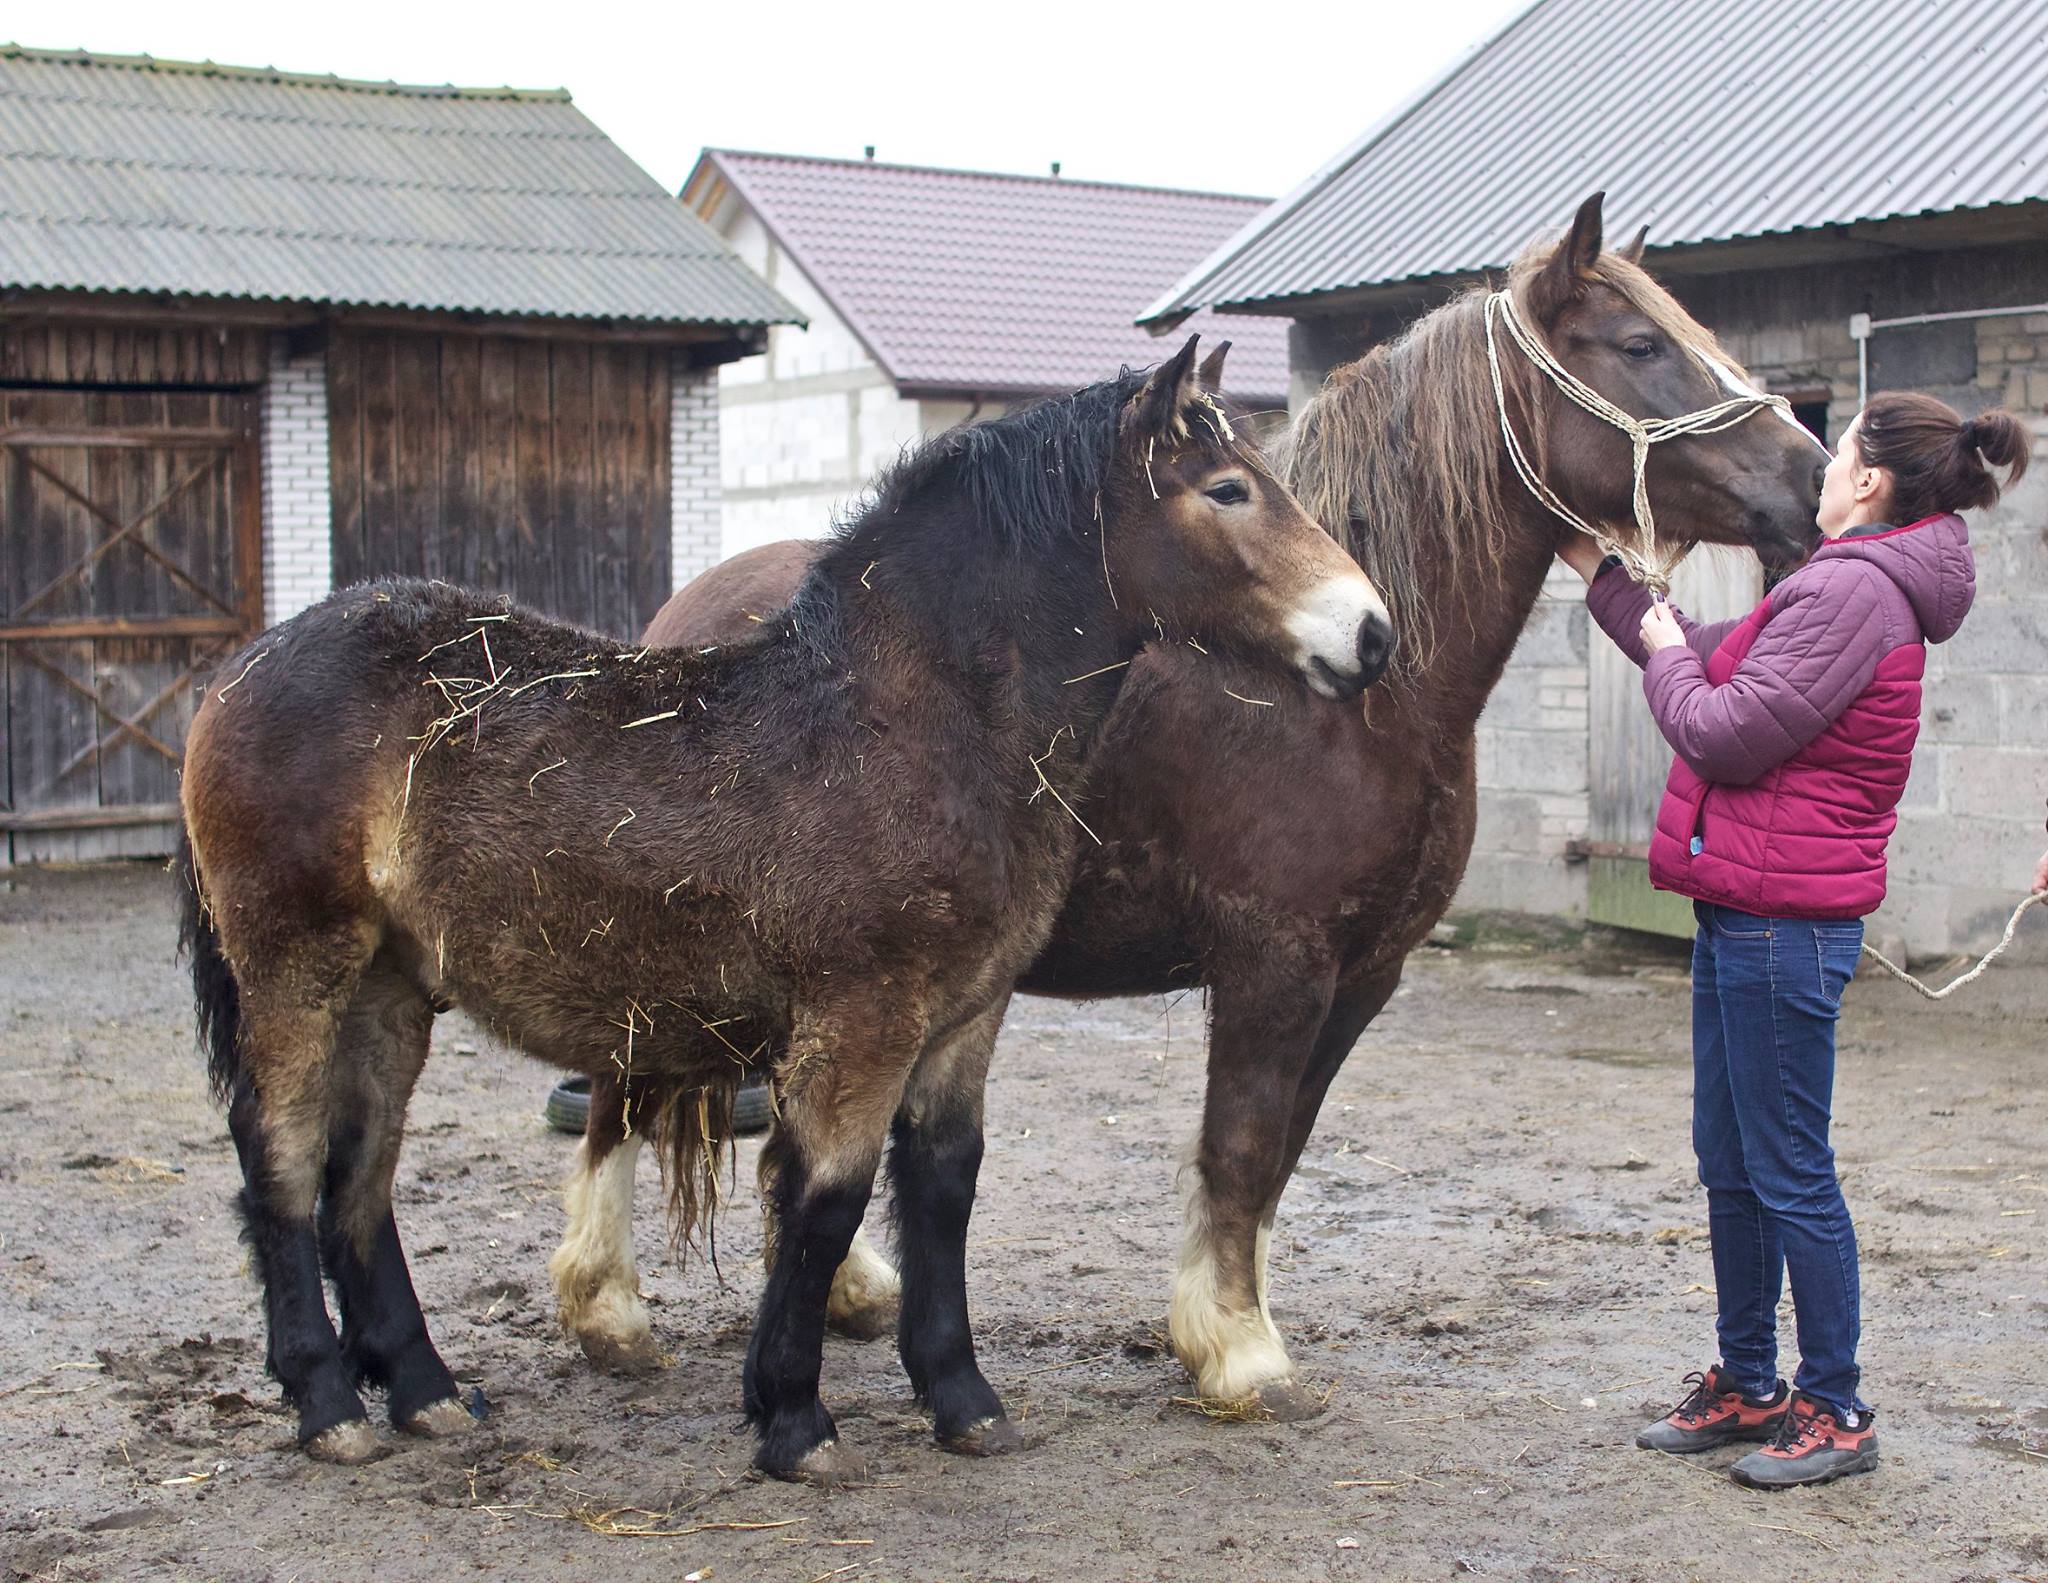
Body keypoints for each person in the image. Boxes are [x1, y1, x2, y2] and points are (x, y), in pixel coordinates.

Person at [1558, 392, 2031, 1489]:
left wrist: (1665, 654)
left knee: (1788, 1170)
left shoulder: (1853, 591)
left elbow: (1722, 730)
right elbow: (1708, 654)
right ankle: (1747, 1380)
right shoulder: (1837, 584)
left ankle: (1836, 1406)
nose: (1820, 465)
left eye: (1838, 446)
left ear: (1867, 480)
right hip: (1744, 909)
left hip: (1782, 924)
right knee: (1731, 1160)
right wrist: (1603, 574)